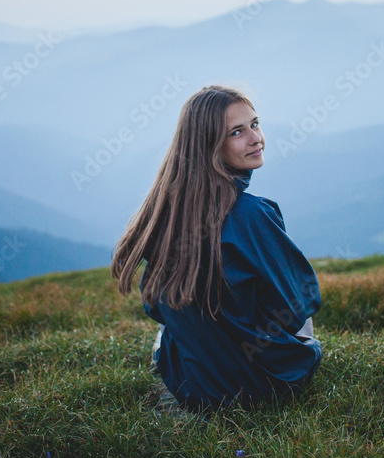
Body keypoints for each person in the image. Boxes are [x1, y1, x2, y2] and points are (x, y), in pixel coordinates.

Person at [111, 84, 322, 412]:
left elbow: (154, 307)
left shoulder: (165, 218)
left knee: (178, 325)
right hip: (263, 390)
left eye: (254, 123)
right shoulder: (253, 215)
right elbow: (297, 304)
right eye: (237, 132)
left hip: (190, 386)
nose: (256, 138)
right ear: (208, 146)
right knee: (299, 317)